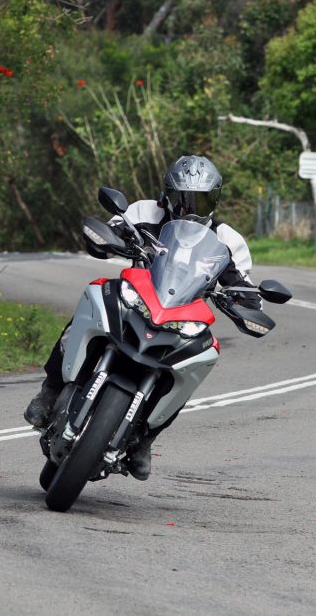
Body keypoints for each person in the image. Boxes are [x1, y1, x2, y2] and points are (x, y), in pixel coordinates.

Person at [24, 155, 261, 480]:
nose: (189, 206)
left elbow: (242, 286)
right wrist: (108, 241)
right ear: (167, 194)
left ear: (215, 199)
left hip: (181, 316)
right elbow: (112, 233)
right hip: (135, 298)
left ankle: (144, 439)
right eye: (182, 198)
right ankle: (50, 390)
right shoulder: (143, 212)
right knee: (93, 299)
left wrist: (244, 300)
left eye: (200, 199)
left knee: (198, 360)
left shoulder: (228, 240)